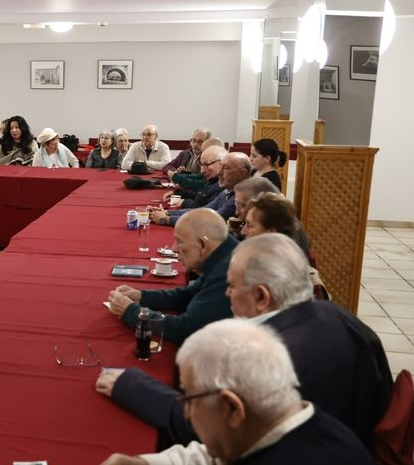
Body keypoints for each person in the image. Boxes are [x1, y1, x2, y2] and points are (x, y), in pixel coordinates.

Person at [97, 234, 392, 449]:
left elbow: (210, 430)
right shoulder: (339, 314)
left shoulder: (269, 354)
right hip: (349, 445)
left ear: (262, 297)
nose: (226, 295)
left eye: (233, 287)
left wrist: (131, 386)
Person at [93, 319, 389, 465]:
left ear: (233, 409)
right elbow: (225, 462)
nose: (185, 413)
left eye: (190, 400)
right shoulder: (289, 423)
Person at [107, 208, 236, 343]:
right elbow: (188, 295)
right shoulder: (223, 252)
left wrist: (131, 312)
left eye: (180, 242)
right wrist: (142, 296)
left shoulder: (229, 272)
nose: (174, 248)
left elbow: (186, 329)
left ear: (203, 244)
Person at [152, 151, 250, 226]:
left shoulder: (240, 197)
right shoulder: (228, 190)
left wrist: (167, 219)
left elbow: (210, 220)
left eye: (225, 168)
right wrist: (166, 212)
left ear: (242, 173)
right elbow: (203, 211)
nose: (220, 172)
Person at [167, 145, 226, 210]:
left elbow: (205, 211)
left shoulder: (222, 185)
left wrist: (167, 217)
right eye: (201, 165)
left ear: (222, 163)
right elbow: (200, 198)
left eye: (207, 164)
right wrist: (178, 194)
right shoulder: (212, 179)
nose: (202, 170)